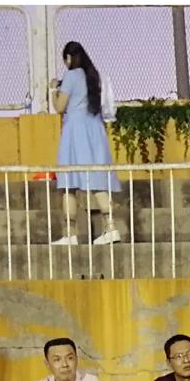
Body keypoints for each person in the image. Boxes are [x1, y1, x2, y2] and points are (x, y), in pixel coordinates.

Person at [50, 41, 122, 246]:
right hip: (95, 130)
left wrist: (54, 90)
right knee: (98, 179)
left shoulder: (71, 76)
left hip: (75, 131)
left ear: (68, 58)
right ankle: (111, 227)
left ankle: (70, 233)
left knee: (69, 182)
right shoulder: (94, 76)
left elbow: (60, 107)